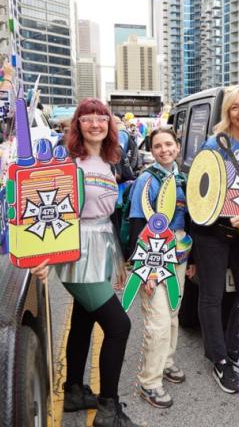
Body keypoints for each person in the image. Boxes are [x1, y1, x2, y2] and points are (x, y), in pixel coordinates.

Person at [30, 98, 139, 427]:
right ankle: (108, 409)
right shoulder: (68, 163)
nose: (95, 124)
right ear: (77, 125)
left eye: (101, 119)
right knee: (119, 326)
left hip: (100, 245)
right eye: (88, 119)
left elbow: (107, 216)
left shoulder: (108, 160)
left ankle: (74, 391)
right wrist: (41, 254)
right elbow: (42, 207)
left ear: (109, 125)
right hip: (75, 251)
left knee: (83, 319)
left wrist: (117, 257)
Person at [191, 83, 239, 394]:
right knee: (212, 295)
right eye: (235, 107)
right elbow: (199, 192)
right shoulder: (214, 144)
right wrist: (228, 210)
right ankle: (220, 360)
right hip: (213, 230)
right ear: (228, 112)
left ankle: (235, 349)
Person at [127, 128, 193, 409]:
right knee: (158, 320)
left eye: (169, 144)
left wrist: (195, 260)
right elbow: (136, 226)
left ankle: (166, 362)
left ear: (178, 147)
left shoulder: (183, 178)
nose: (164, 150)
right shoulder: (146, 179)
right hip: (152, 255)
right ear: (151, 150)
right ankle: (149, 382)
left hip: (180, 253)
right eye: (158, 146)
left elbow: (192, 222)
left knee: (173, 313)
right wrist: (145, 270)